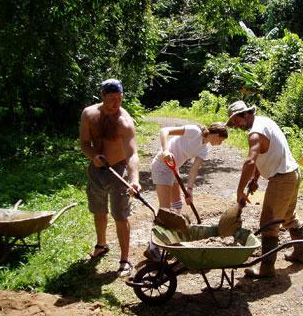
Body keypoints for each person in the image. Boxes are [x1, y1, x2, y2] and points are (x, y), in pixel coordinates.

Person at [226, 100, 303, 279]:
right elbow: (266, 153)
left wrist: (240, 190)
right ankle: (300, 253)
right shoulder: (265, 122)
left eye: (236, 120)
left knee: (268, 224)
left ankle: (267, 268)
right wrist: (255, 178)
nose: (236, 125)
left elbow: (250, 161)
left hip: (282, 179)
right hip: (292, 173)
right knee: (288, 216)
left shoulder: (255, 133)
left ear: (245, 114)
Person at [79, 78, 141, 277]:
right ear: (102, 96)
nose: (116, 103)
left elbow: (132, 154)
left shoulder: (124, 121)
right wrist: (93, 157)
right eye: (111, 98)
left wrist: (134, 180)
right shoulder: (89, 114)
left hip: (119, 168)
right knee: (99, 209)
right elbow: (84, 143)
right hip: (97, 168)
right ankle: (101, 244)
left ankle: (124, 259)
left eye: (120, 98)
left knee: (120, 215)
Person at [144, 122, 228, 261]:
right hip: (162, 166)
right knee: (165, 210)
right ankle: (152, 248)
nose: (220, 144)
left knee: (177, 206)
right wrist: (165, 150)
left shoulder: (205, 149)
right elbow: (165, 129)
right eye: (221, 140)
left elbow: (193, 170)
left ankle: (171, 240)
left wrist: (189, 190)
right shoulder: (194, 131)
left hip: (174, 169)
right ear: (217, 134)